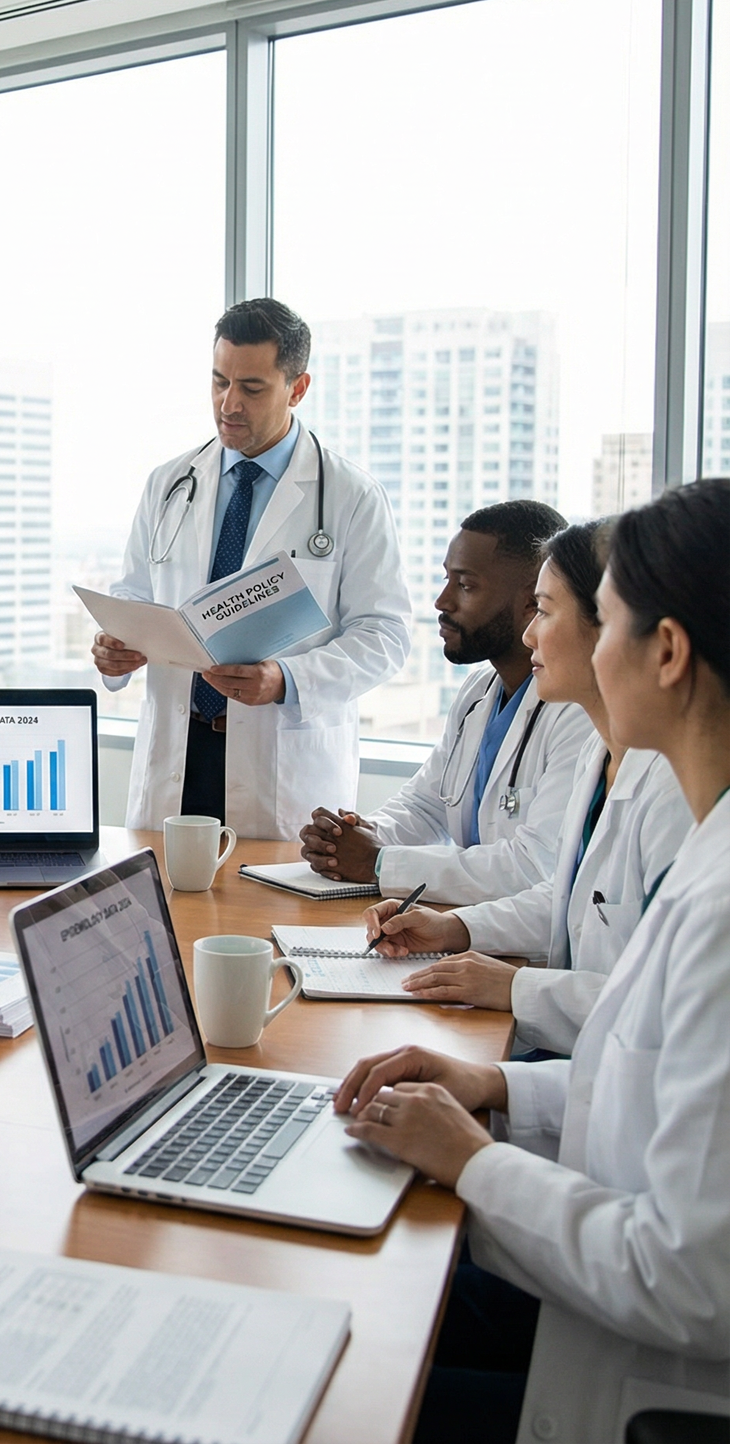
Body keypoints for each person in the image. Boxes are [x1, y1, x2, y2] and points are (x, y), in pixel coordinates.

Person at [334, 478, 730, 1444]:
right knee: (349, 1306)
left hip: (649, 1390)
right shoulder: (706, 844)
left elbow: (690, 1278)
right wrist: (496, 1085)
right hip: (599, 1300)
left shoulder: (720, 902)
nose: (546, 638)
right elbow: (640, 1080)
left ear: (666, 652)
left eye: (599, 621)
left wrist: (472, 1159)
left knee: (333, 1381)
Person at [366, 520, 692, 1054]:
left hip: (602, 1068)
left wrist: (516, 988)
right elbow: (567, 901)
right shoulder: (599, 758)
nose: (528, 635)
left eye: (544, 610)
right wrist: (453, 928)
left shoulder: (675, 798)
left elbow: (663, 1026)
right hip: (576, 1063)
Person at [92, 298, 410, 838]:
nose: (229, 403)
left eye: (252, 388)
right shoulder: (168, 483)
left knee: (268, 894)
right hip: (178, 750)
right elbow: (134, 596)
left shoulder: (351, 496)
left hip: (281, 764)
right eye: (219, 382)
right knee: (164, 889)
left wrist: (287, 680)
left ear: (298, 388)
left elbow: (386, 635)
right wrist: (115, 648)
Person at [300, 501, 591, 904]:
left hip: (516, 934)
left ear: (531, 602)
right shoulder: (479, 692)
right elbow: (426, 807)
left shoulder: (576, 713)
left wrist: (378, 862)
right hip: (461, 922)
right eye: (446, 579)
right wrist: (353, 836)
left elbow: (534, 868)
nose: (442, 602)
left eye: (465, 585)